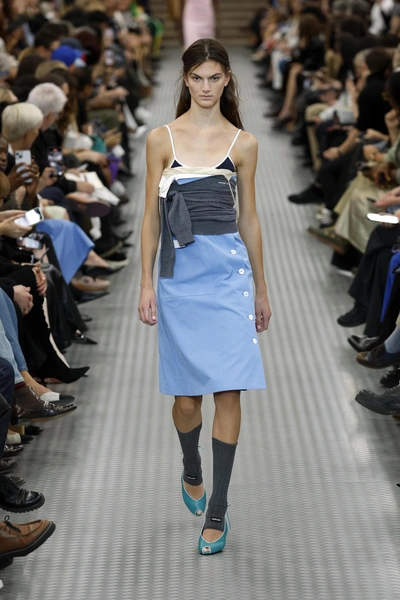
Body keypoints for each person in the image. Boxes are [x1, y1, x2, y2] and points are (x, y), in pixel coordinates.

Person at [138, 39, 271, 555]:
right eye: (198, 77)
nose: (207, 87)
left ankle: (218, 508)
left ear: (228, 79)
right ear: (186, 79)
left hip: (228, 277)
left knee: (229, 392)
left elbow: (249, 219)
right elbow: (150, 218)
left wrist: (261, 288)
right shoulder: (160, 139)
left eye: (215, 77)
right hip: (179, 279)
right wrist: (146, 283)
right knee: (186, 400)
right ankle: (191, 465)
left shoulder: (244, 143)